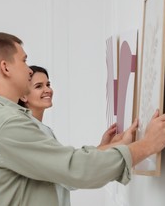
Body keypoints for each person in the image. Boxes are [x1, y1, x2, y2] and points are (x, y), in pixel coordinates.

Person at [0, 32, 165, 206]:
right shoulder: (6, 124)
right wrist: (147, 145)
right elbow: (74, 169)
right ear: (5, 67)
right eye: (24, 60)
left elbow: (60, 166)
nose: (29, 69)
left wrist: (108, 148)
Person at [17, 65, 122, 205]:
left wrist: (102, 147)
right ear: (23, 96)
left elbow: (65, 167)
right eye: (38, 86)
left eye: (48, 84)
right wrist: (110, 148)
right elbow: (68, 174)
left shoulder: (39, 128)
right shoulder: (33, 131)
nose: (47, 90)